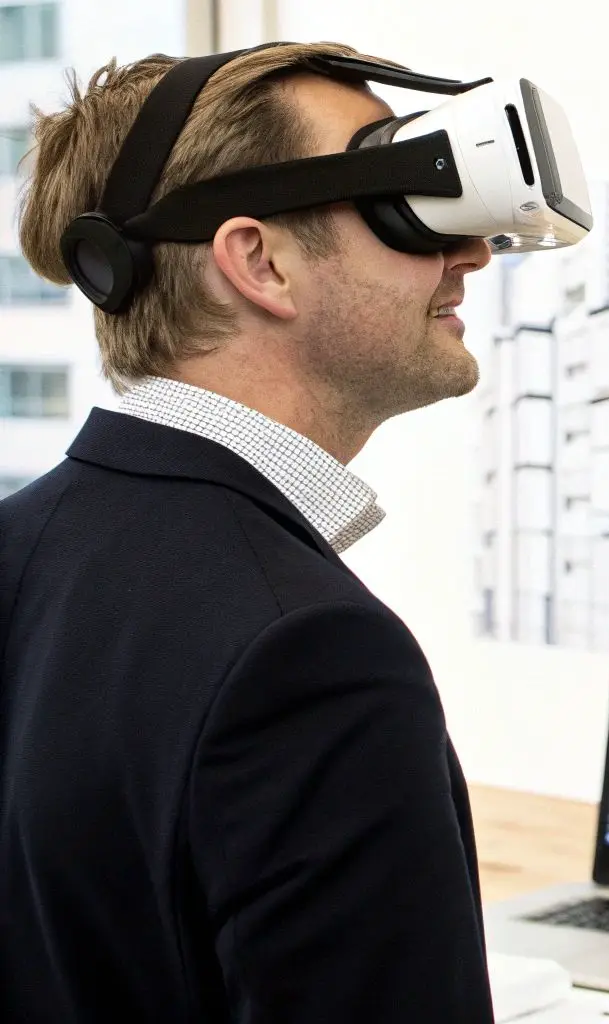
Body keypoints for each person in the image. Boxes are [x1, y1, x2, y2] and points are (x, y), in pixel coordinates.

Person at [0, 43, 497, 1022]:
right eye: (404, 204)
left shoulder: (16, 544)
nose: (471, 252)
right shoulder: (309, 652)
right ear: (259, 262)